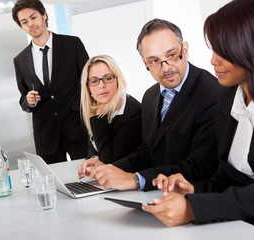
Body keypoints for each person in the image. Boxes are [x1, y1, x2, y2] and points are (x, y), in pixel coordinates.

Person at [143, 1, 254, 239]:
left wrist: (195, 208)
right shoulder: (228, 97)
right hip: (240, 226)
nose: (213, 61)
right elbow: (228, 177)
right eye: (213, 50)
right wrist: (193, 190)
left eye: (223, 51)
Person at [78, 19, 222, 191]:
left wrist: (137, 179)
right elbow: (147, 151)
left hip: (192, 198)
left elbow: (199, 166)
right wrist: (110, 170)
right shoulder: (150, 96)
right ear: (144, 63)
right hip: (155, 194)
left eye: (171, 55)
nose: (166, 67)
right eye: (154, 61)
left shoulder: (212, 94)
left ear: (185, 50)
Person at [12, 0, 89, 164]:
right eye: (24, 22)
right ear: (21, 26)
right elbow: (23, 99)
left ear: (44, 15)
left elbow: (89, 82)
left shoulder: (72, 44)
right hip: (46, 135)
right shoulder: (20, 60)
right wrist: (28, 101)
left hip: (77, 126)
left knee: (91, 176)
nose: (30, 24)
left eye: (33, 17)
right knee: (53, 184)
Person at [79, 55, 142, 165]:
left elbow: (110, 162)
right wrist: (93, 157)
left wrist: (99, 119)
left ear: (118, 80)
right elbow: (94, 147)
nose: (102, 85)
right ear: (88, 87)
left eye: (108, 78)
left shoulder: (133, 112)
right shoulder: (98, 107)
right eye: (94, 81)